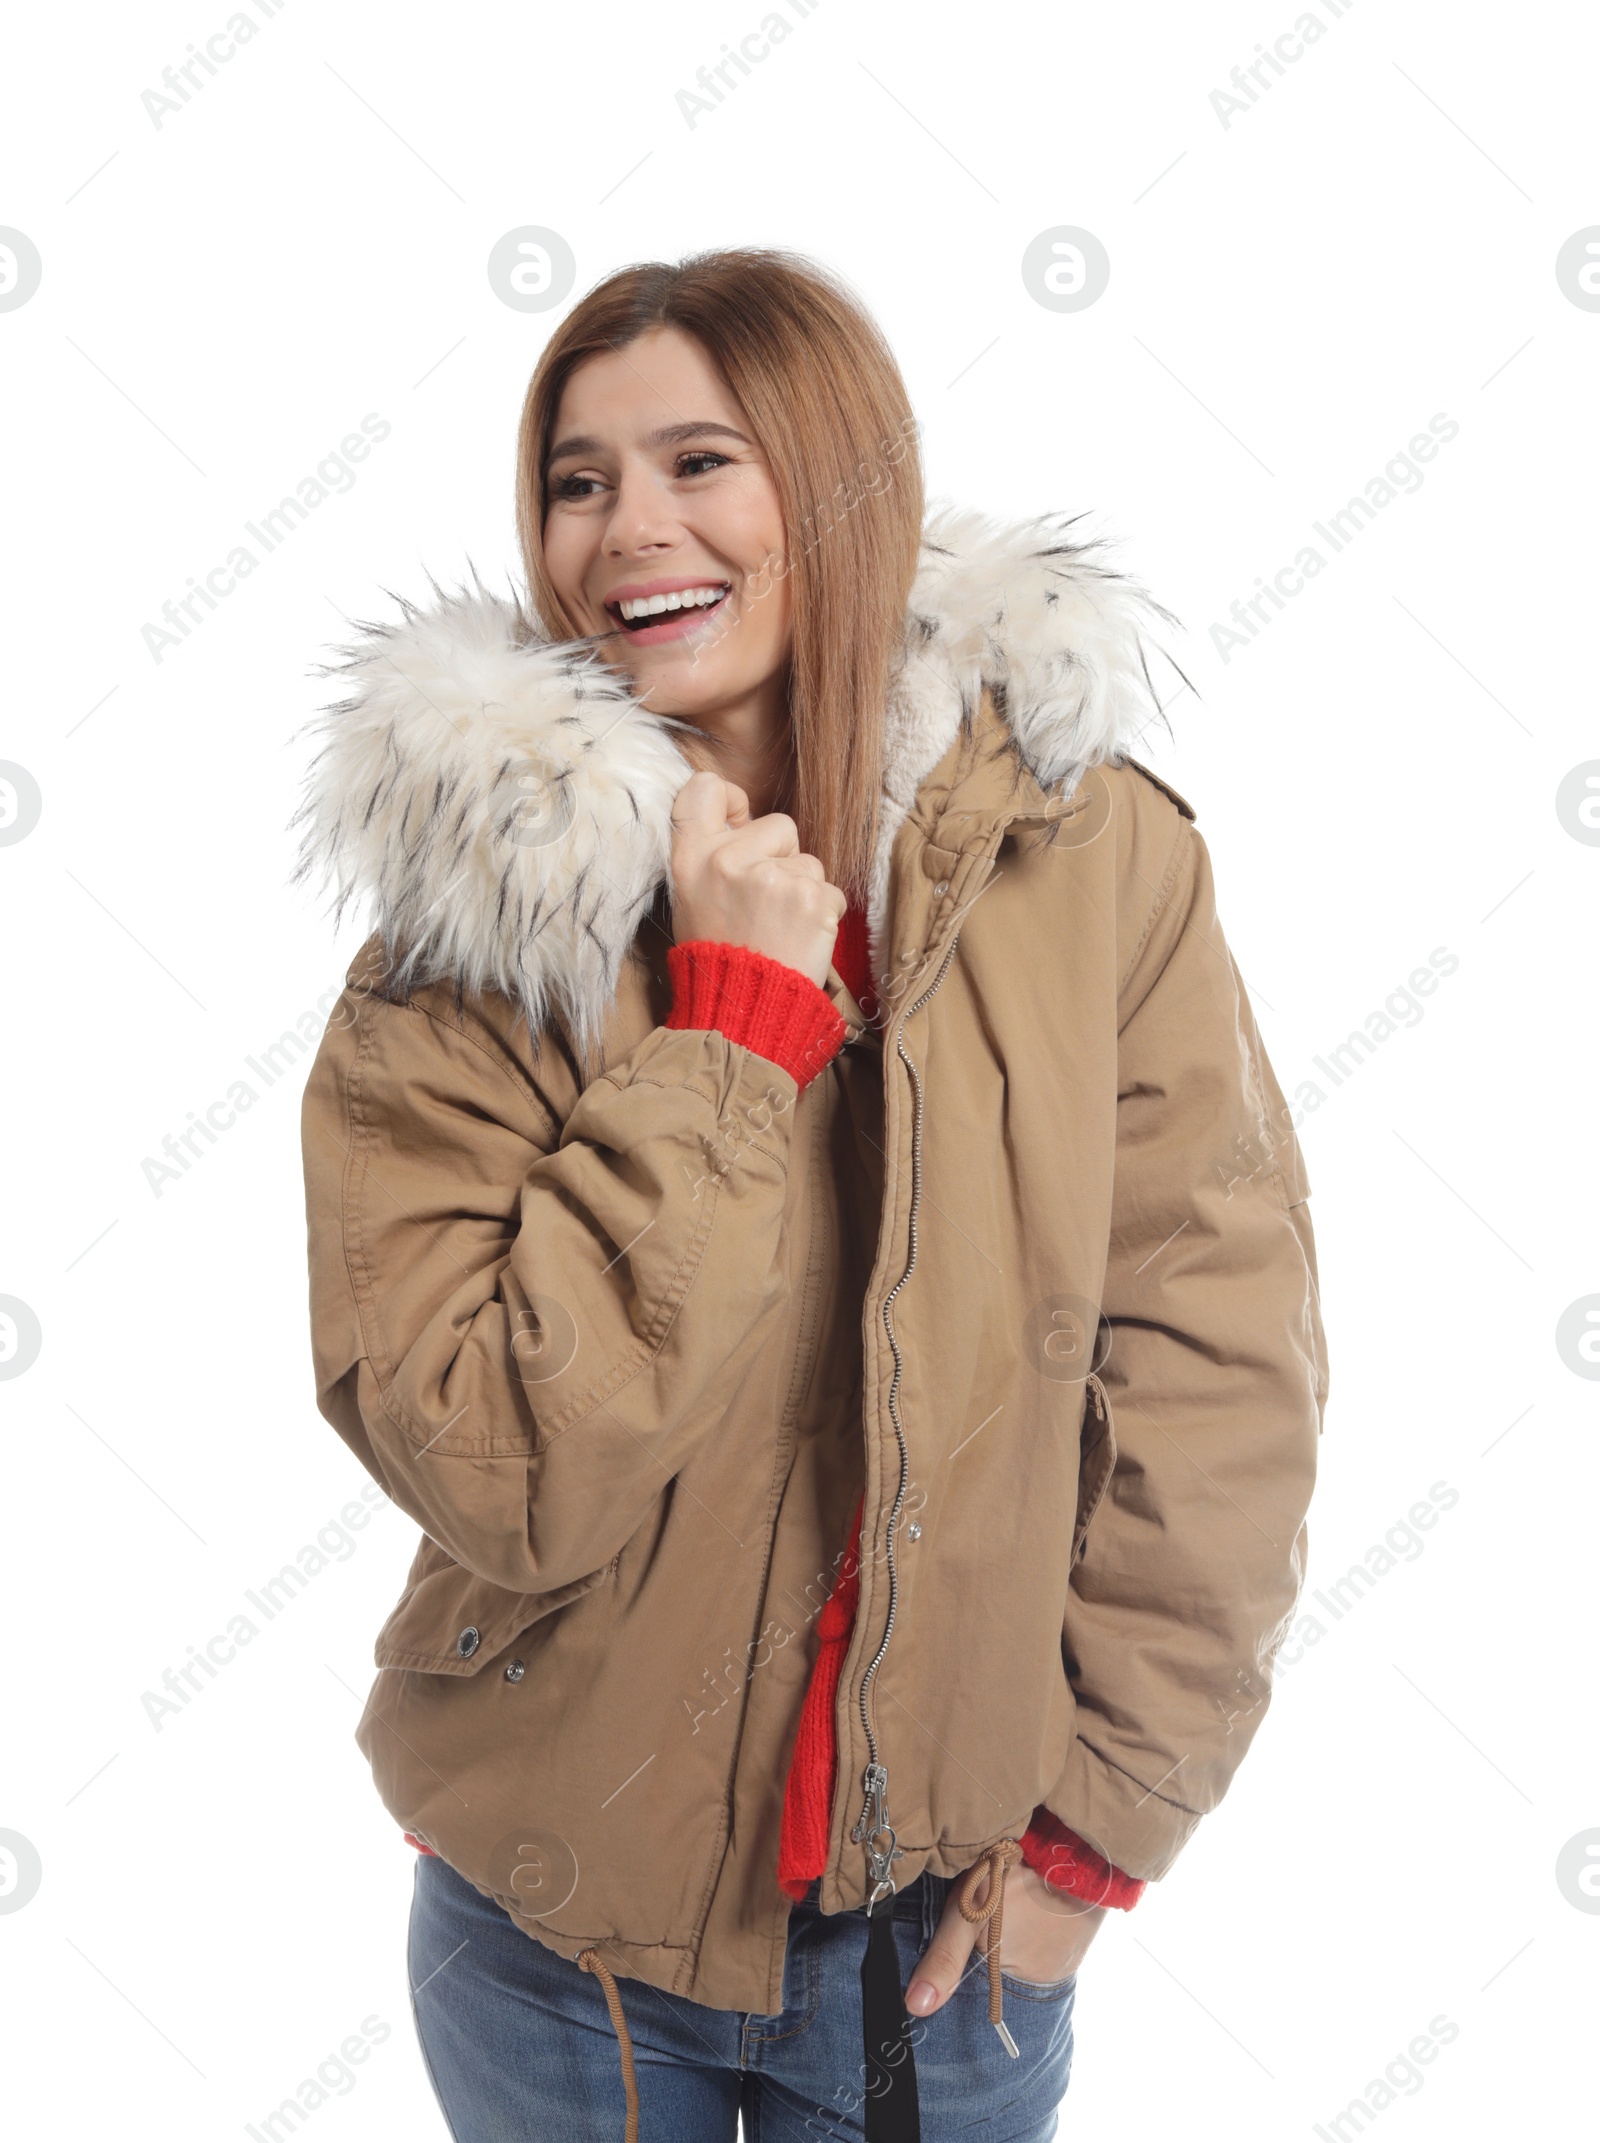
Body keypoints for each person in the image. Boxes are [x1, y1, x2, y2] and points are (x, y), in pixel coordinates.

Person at [295, 246, 1328, 2143]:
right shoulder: (471, 938)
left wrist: (1099, 1830)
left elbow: (1212, 1355)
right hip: (557, 1948)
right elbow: (503, 1459)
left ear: (842, 484)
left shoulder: (1094, 857)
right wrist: (733, 1037)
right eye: (579, 477)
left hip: (948, 1946)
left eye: (702, 460)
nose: (629, 531)